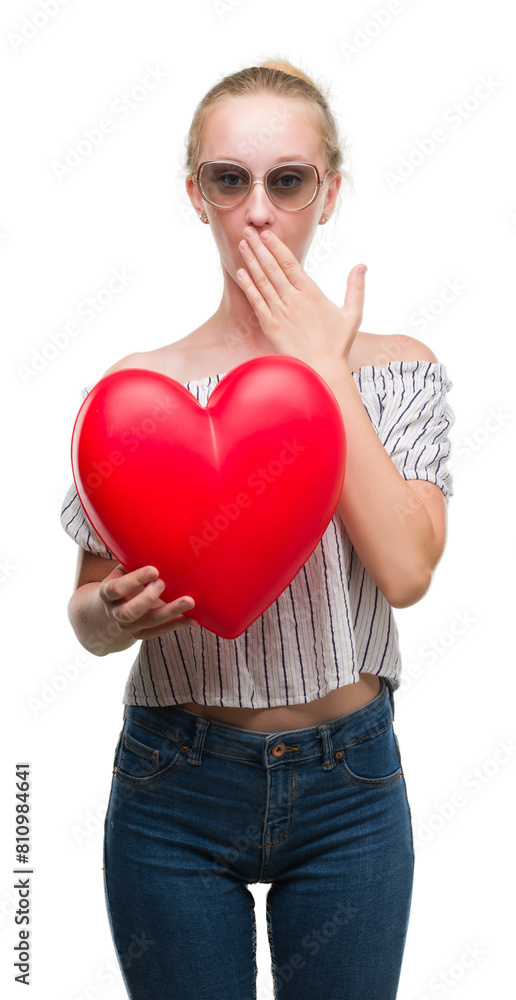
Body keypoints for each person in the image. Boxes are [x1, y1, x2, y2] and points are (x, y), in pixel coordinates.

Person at [60, 59, 454, 1000]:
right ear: (197, 195)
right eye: (231, 180)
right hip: (173, 784)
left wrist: (322, 368)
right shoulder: (135, 396)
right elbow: (82, 617)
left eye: (288, 180)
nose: (260, 212)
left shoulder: (398, 372)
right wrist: (112, 615)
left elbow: (406, 570)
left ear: (329, 190)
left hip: (349, 788)